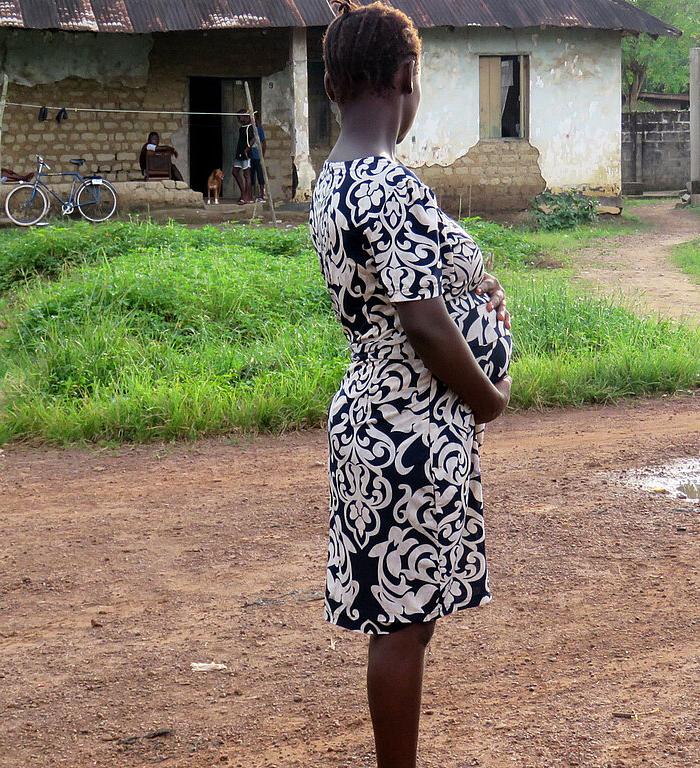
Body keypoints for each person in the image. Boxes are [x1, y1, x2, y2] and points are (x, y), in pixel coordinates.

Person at [309, 3, 513, 768]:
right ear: (407, 78)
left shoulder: (340, 179)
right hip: (409, 428)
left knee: (406, 615)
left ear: (331, 86)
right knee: (402, 623)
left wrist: (478, 297)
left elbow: (413, 301)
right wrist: (488, 400)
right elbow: (425, 327)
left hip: (384, 415)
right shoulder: (384, 185)